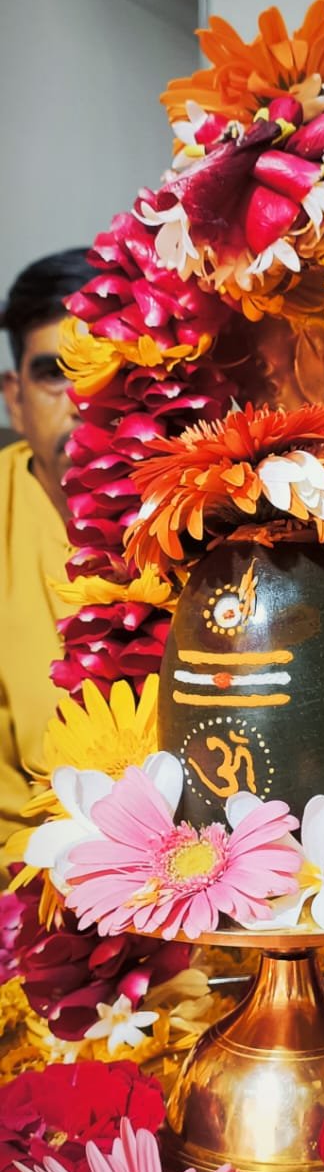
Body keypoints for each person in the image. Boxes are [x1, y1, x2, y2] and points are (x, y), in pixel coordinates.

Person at [0, 249, 96, 838]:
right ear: (15, 398)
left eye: (104, 369)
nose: (81, 400)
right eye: (55, 373)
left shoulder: (208, 515)